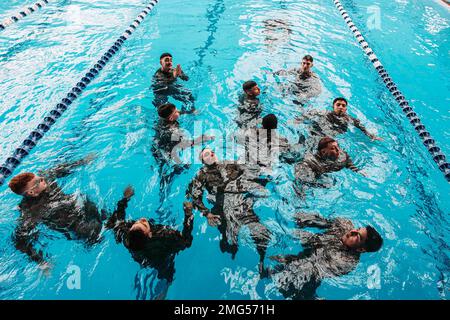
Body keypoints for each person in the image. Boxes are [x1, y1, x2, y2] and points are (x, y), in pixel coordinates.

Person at [186, 148, 271, 276]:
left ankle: (261, 261)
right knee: (229, 237)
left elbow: (249, 171)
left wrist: (265, 176)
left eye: (212, 151)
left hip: (240, 202)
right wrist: (207, 213)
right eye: (207, 154)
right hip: (221, 207)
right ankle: (228, 244)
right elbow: (195, 197)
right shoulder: (201, 175)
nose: (212, 153)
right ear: (203, 161)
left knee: (260, 232)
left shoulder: (229, 164)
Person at [8, 155, 102, 270]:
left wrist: (84, 161)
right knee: (93, 236)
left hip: (79, 208)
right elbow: (20, 241)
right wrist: (41, 263)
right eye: (40, 180)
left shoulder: (46, 181)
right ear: (32, 192)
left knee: (87, 200)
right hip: (74, 226)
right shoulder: (32, 212)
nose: (44, 178)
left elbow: (62, 169)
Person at [269, 212, 383, 300]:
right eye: (358, 229)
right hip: (308, 254)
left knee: (290, 284)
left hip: (311, 270)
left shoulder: (347, 261)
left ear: (361, 249)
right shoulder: (344, 225)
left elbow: (315, 269)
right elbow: (317, 220)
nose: (352, 231)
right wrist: (303, 220)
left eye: (357, 236)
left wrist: (308, 239)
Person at [106, 186, 194, 284]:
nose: (142, 219)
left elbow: (116, 221)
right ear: (150, 234)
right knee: (167, 271)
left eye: (137, 223)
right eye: (144, 224)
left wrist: (125, 198)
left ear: (130, 230)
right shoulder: (163, 237)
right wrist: (188, 215)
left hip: (141, 256)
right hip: (160, 257)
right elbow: (186, 241)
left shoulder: (126, 236)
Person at [152, 103, 214, 203]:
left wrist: (191, 112)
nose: (178, 111)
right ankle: (164, 193)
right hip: (167, 152)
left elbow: (177, 113)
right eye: (176, 112)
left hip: (157, 146)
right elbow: (185, 144)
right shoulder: (173, 131)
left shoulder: (163, 119)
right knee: (180, 168)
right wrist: (204, 138)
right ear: (171, 118)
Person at [294, 137, 365, 192]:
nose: (338, 150)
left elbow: (348, 162)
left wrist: (357, 170)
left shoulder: (342, 155)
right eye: (333, 148)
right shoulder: (312, 162)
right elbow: (302, 180)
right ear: (323, 152)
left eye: (338, 146)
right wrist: (319, 185)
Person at [298, 97, 383, 142]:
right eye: (338, 105)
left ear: (346, 109)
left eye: (343, 105)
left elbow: (361, 127)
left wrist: (371, 136)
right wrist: (299, 119)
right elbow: (312, 113)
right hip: (320, 131)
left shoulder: (350, 119)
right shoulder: (325, 113)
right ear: (333, 107)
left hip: (332, 136)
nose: (340, 107)